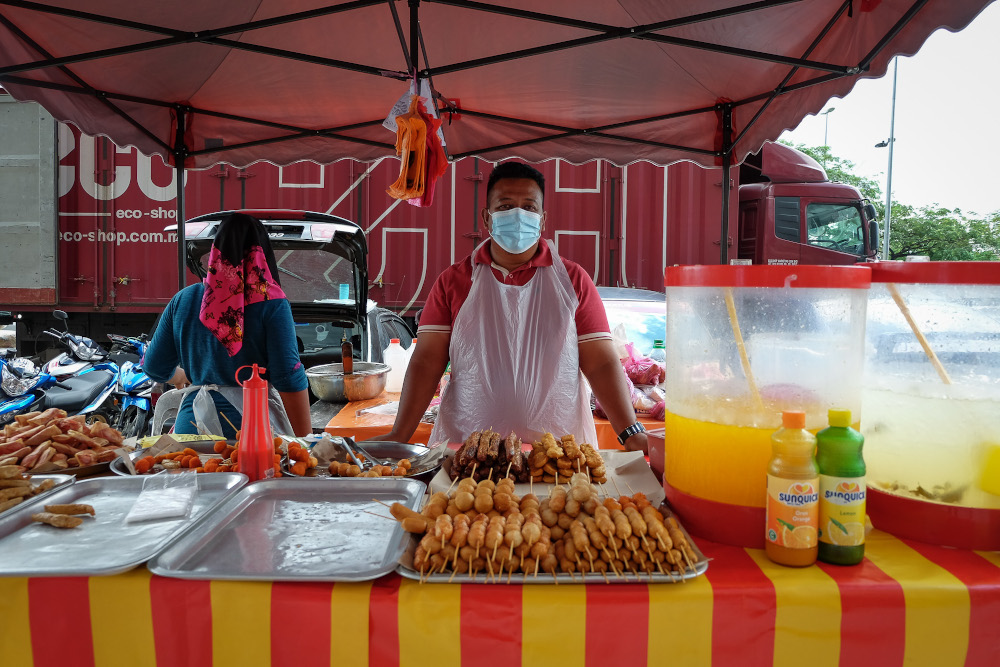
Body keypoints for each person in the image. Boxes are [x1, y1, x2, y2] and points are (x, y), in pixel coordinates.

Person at [377, 161, 648, 452]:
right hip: (469, 449)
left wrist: (630, 433)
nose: (518, 215)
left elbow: (602, 363)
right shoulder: (453, 281)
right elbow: (427, 362)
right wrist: (400, 434)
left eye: (529, 208)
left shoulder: (572, 280)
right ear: (487, 217)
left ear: (543, 220)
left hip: (558, 452)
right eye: (505, 206)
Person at [144, 212, 312, 438]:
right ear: (263, 252)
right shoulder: (271, 303)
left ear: (216, 252)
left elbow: (154, 367)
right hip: (249, 432)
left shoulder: (183, 299)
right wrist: (306, 440)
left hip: (192, 431)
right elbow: (288, 377)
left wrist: (180, 375)